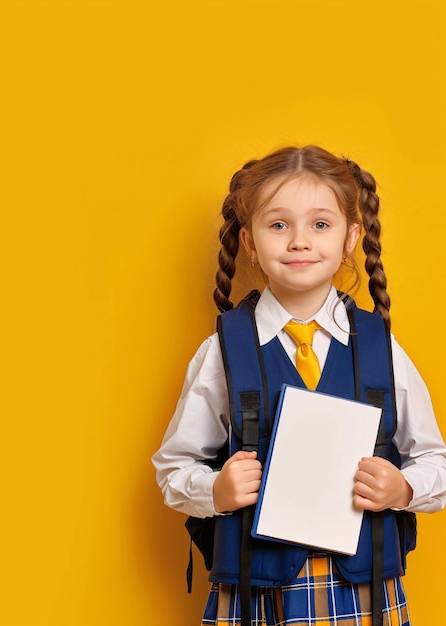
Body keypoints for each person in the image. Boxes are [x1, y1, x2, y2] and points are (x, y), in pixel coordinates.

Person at [152, 145, 446, 625]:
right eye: (279, 225)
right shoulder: (222, 351)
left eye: (321, 224)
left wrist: (403, 489)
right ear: (249, 242)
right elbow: (173, 469)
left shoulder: (381, 347)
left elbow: (436, 460)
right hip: (255, 592)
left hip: (365, 593)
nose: (300, 242)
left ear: (351, 238)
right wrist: (216, 491)